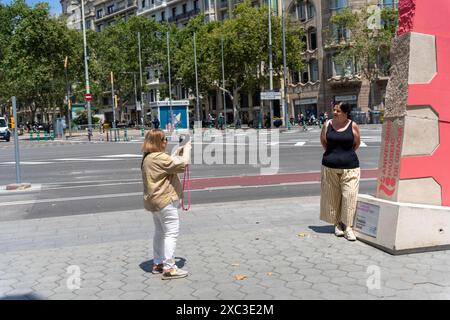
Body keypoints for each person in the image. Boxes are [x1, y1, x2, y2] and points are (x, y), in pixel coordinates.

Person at [141, 129, 192, 279]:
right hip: (165, 201)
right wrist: (187, 149)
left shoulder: (149, 157)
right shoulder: (159, 158)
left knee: (160, 232)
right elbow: (183, 165)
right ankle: (169, 268)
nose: (166, 142)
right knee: (171, 233)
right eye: (163, 139)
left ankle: (158, 263)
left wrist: (178, 151)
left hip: (154, 201)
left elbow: (170, 162)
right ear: (157, 142)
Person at [320, 102, 361, 241]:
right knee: (333, 197)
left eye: (338, 110)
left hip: (350, 167)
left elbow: (357, 143)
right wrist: (333, 154)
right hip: (329, 167)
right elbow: (323, 141)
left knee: (349, 196)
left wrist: (345, 155)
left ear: (345, 112)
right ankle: (337, 224)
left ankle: (348, 227)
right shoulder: (327, 124)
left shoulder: (353, 125)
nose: (335, 112)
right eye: (334, 110)